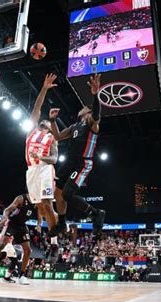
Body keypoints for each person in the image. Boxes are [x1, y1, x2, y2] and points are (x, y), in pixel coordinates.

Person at [48, 74, 105, 239]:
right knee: (57, 194)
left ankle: (95, 213)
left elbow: (97, 115)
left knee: (66, 194)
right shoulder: (74, 126)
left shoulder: (91, 123)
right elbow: (57, 136)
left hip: (82, 163)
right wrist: (52, 120)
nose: (81, 108)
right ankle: (62, 223)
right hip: (69, 163)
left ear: (88, 111)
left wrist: (95, 95)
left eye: (84, 107)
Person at [25, 73, 59, 234]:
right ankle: (56, 221)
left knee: (47, 203)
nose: (44, 120)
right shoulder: (31, 131)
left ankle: (53, 240)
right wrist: (44, 88)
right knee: (40, 207)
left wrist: (41, 157)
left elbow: (54, 159)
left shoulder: (52, 138)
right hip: (31, 171)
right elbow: (37, 107)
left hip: (45, 169)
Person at [0, 194, 36, 285]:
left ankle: (14, 276)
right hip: (2, 237)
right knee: (3, 250)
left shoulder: (35, 204)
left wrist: (39, 224)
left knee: (16, 258)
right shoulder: (10, 217)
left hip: (13, 236)